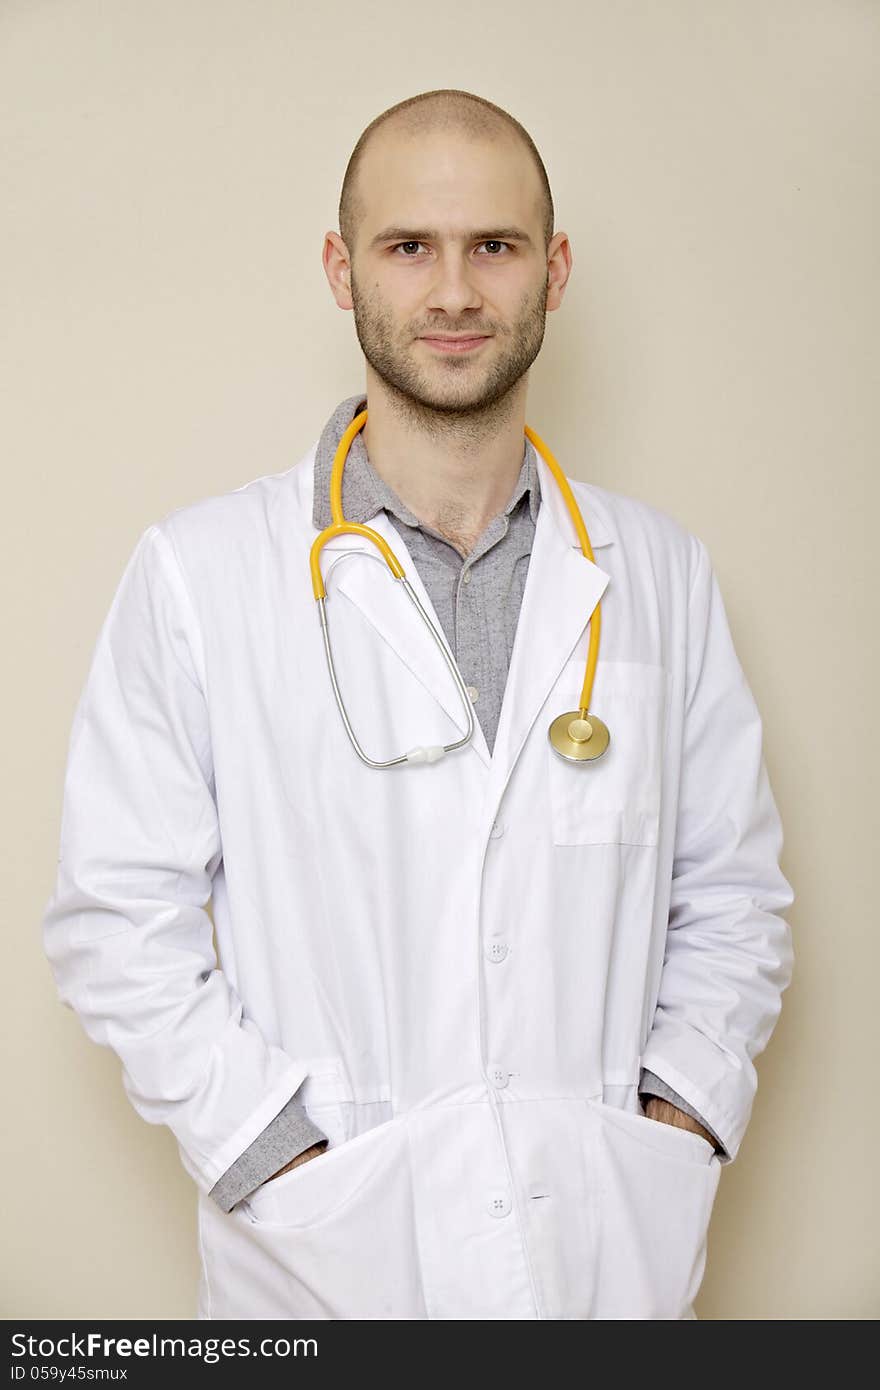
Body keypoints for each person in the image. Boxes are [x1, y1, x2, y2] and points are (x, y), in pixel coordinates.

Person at [41, 87, 795, 1320]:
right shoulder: (203, 572)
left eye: (492, 246)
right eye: (409, 247)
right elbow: (116, 918)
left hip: (604, 1256)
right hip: (323, 1267)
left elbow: (734, 896)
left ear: (551, 270)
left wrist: (677, 1121)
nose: (453, 293)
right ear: (343, 270)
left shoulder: (659, 573)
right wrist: (274, 1152)